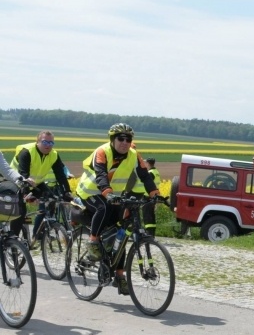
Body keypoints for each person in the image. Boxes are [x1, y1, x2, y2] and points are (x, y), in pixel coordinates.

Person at [76, 123, 160, 295]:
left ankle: (120, 276)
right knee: (104, 208)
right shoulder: (102, 152)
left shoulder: (134, 155)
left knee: (120, 236)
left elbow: (145, 176)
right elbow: (100, 174)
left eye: (128, 139)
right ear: (112, 140)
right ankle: (93, 241)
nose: (124, 142)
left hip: (114, 196)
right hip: (90, 192)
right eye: (120, 138)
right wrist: (107, 193)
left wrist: (155, 193)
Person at [9, 131, 73, 241]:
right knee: (20, 211)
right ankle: (12, 241)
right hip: (16, 183)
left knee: (52, 199)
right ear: (37, 142)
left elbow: (60, 175)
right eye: (45, 142)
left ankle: (39, 234)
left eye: (51, 143)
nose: (48, 145)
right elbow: (23, 174)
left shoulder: (54, 155)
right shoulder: (27, 152)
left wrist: (66, 192)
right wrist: (26, 194)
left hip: (36, 183)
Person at [140, 157, 160, 236]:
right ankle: (152, 233)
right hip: (154, 197)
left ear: (148, 163)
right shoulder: (156, 172)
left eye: (146, 163)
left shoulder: (150, 173)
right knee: (151, 215)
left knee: (147, 215)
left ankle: (148, 233)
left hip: (148, 197)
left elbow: (147, 184)